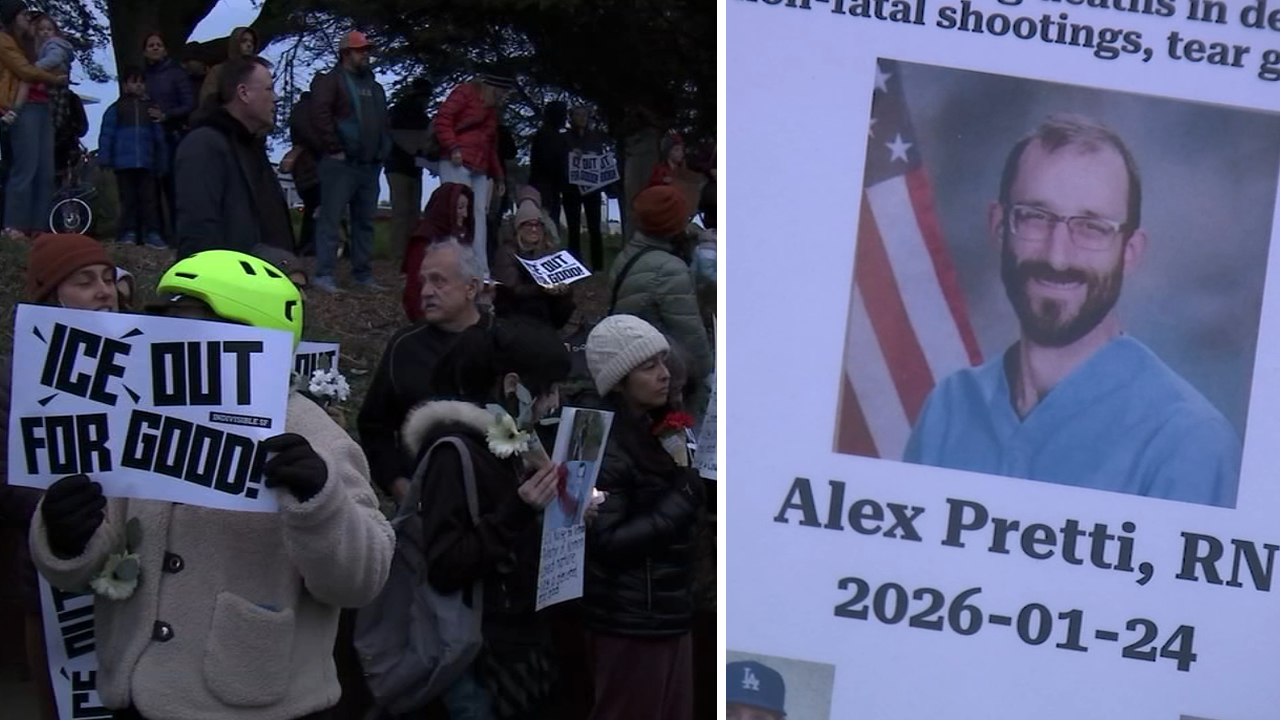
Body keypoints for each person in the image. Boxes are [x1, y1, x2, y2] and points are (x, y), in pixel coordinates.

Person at [28, 249, 396, 720]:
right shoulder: (139, 413)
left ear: (252, 336)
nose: (169, 339)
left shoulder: (315, 435)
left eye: (190, 325)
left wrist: (321, 503)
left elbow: (361, 581)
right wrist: (64, 537)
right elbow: (87, 560)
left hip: (251, 701)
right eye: (167, 323)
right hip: (134, 694)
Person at [903, 115, 1240, 507]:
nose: (1057, 256)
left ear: (1130, 252)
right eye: (1034, 217)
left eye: (1092, 227)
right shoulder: (950, 405)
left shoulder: (1187, 441)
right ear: (999, 226)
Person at [408, 319, 575, 719]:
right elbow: (446, 563)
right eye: (548, 389)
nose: (553, 403)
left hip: (517, 645)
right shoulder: (455, 454)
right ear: (513, 384)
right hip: (477, 660)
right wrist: (518, 511)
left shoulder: (515, 445)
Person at [1, 233, 119, 720]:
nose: (104, 292)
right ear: (50, 296)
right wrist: (62, 514)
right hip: (51, 584)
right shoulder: (12, 376)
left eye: (110, 279)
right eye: (85, 281)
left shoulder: (145, 363)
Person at [582, 314, 704, 720]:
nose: (664, 375)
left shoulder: (662, 428)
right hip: (632, 621)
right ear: (619, 380)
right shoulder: (608, 445)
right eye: (648, 367)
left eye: (663, 363)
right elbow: (608, 540)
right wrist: (681, 501)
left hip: (669, 611)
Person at [359, 239, 490, 502]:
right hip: (424, 504)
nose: (426, 291)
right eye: (423, 282)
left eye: (438, 281)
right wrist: (397, 484)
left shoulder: (504, 341)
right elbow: (374, 426)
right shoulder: (405, 347)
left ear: (471, 287)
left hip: (498, 503)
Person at [174, 56, 294, 259]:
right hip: (230, 284)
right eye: (268, 89)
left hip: (267, 282)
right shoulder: (204, 145)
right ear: (244, 93)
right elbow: (199, 232)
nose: (275, 98)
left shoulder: (253, 149)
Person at [309, 31, 391, 293]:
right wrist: (333, 147)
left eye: (367, 50)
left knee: (364, 222)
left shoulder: (375, 87)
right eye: (360, 50)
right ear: (346, 53)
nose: (366, 54)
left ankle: (362, 276)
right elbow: (319, 113)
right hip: (340, 165)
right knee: (331, 221)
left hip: (369, 165)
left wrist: (382, 151)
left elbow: (383, 123)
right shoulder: (331, 81)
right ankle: (323, 275)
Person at [610, 185, 713, 392]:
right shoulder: (669, 269)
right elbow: (690, 336)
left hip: (629, 358)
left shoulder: (629, 254)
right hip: (661, 372)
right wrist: (709, 374)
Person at [434, 72, 513, 278]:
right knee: (456, 214)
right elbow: (443, 119)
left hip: (479, 166)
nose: (502, 98)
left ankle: (480, 271)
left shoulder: (491, 111)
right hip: (456, 161)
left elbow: (490, 146)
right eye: (501, 94)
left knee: (478, 216)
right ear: (492, 89)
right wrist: (452, 147)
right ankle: (454, 268)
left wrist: (498, 176)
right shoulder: (464, 93)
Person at [0, 1, 67, 237]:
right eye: (24, 15)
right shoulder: (5, 41)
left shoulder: (35, 42)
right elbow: (24, 71)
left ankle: (39, 227)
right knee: (25, 168)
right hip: (22, 107)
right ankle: (14, 225)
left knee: (45, 171)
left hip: (43, 106)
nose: (28, 18)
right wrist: (53, 79)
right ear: (13, 18)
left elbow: (58, 62)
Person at [98, 67, 168, 248]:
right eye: (133, 81)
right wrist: (105, 157)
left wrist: (162, 160)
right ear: (125, 85)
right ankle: (128, 232)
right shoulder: (116, 108)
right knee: (128, 200)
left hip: (147, 163)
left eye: (141, 82)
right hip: (124, 164)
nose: (138, 85)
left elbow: (159, 137)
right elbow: (107, 134)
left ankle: (152, 233)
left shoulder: (151, 109)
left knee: (149, 200)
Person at [142, 32, 197, 240]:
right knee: (150, 189)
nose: (155, 48)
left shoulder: (176, 73)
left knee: (174, 188)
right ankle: (156, 233)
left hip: (172, 136)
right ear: (145, 51)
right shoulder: (142, 77)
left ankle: (178, 234)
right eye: (151, 45)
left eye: (159, 44)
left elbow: (189, 104)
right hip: (148, 138)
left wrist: (166, 115)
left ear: (165, 49)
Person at [492, 195, 574, 330]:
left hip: (541, 299)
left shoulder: (548, 249)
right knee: (535, 306)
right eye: (528, 224)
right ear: (519, 227)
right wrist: (543, 289)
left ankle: (551, 333)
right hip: (513, 304)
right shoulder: (506, 251)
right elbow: (513, 288)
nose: (534, 229)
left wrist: (563, 289)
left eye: (538, 225)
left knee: (565, 302)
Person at [400, 181, 474, 322]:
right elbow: (414, 291)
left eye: (467, 208)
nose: (465, 214)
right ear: (446, 208)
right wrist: (424, 323)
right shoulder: (424, 240)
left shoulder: (456, 238)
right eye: (459, 208)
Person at [386, 84, 431, 261]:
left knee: (405, 213)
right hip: (401, 167)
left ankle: (404, 254)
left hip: (403, 167)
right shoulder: (403, 114)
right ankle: (400, 255)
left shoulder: (399, 113)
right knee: (405, 213)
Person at [563, 106, 608, 271]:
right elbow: (561, 159)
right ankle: (575, 264)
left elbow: (601, 159)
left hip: (592, 189)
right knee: (573, 227)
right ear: (571, 117)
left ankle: (598, 266)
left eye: (585, 114)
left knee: (595, 227)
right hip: (571, 189)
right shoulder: (565, 137)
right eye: (578, 114)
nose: (582, 118)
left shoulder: (595, 138)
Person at [285, 90, 323, 256]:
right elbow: (309, 134)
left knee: (314, 206)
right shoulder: (307, 109)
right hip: (310, 166)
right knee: (315, 206)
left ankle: (310, 245)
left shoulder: (304, 109)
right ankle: (309, 245)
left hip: (309, 166)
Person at [528, 101, 567, 232]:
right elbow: (548, 163)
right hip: (545, 188)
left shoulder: (546, 135)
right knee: (548, 225)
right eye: (563, 114)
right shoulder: (549, 136)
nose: (565, 118)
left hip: (548, 187)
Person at [198, 26, 258, 108]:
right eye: (244, 41)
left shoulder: (258, 72)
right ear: (235, 43)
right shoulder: (219, 71)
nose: (249, 44)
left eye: (252, 42)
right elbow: (207, 102)